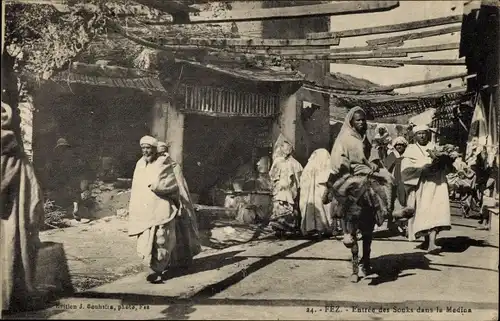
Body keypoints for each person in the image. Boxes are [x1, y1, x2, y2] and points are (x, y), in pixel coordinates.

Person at [325, 106, 403, 282]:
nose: (361, 122)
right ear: (351, 121)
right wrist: (346, 169)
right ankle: (340, 219)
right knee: (339, 190)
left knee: (389, 179)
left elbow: (372, 155)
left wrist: (374, 163)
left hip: (366, 169)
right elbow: (338, 159)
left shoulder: (365, 137)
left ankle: (390, 210)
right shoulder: (344, 138)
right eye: (358, 120)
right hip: (349, 171)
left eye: (363, 120)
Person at [128, 135, 201, 283]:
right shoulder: (140, 164)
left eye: (149, 148)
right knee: (147, 240)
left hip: (163, 209)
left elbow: (174, 187)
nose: (146, 152)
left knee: (161, 239)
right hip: (146, 210)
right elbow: (138, 187)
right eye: (143, 148)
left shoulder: (168, 165)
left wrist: (178, 203)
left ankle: (157, 271)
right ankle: (158, 266)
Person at [1, 102, 46, 313]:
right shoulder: (18, 157)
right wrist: (34, 218)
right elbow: (35, 194)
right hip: (14, 220)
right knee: (12, 254)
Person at [401, 125, 451, 254]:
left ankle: (432, 243)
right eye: (419, 134)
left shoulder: (435, 147)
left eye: (424, 133)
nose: (422, 136)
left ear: (428, 134)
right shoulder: (410, 149)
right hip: (422, 184)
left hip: (437, 184)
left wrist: (444, 163)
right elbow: (405, 170)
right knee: (424, 211)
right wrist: (421, 169)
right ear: (415, 135)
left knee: (435, 211)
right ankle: (427, 241)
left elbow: (447, 167)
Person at [268, 140, 303, 237]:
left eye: (288, 148)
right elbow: (272, 174)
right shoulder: (281, 161)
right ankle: (281, 228)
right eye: (285, 147)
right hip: (283, 189)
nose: (287, 150)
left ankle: (287, 227)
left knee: (287, 207)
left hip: (288, 189)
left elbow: (299, 177)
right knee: (282, 207)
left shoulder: (294, 163)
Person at [47, 138, 85, 221]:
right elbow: (80, 164)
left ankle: (63, 210)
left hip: (64, 176)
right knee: (75, 191)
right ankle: (75, 208)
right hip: (71, 176)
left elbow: (53, 169)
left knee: (61, 190)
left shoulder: (57, 156)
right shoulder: (72, 154)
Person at [299, 149, 334, 238]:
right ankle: (325, 228)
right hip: (320, 191)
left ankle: (312, 228)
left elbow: (302, 181)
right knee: (322, 209)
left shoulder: (309, 167)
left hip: (311, 194)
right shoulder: (325, 166)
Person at [384, 136, 412, 234]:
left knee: (403, 202)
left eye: (401, 145)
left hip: (404, 181)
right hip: (392, 181)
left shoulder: (407, 155)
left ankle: (404, 225)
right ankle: (391, 224)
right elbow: (385, 167)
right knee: (390, 202)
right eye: (397, 145)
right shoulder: (392, 155)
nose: (399, 147)